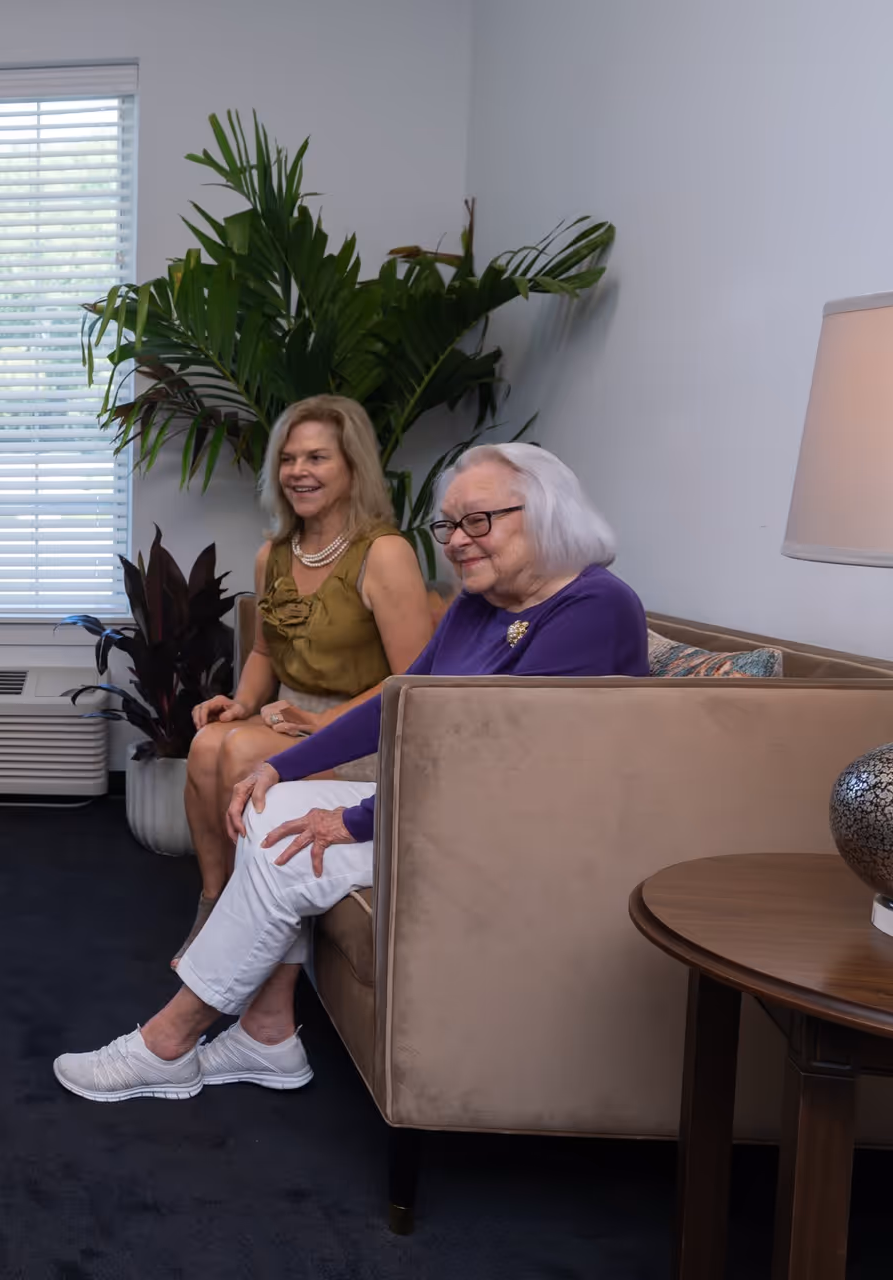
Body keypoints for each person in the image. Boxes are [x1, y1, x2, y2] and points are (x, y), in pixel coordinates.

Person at [54, 443, 648, 1102]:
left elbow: (504, 767)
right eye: (447, 526)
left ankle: (169, 1041)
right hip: (450, 806)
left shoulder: (594, 607)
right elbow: (402, 700)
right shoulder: (482, 600)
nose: (456, 541)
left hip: (526, 830)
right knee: (267, 810)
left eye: (478, 521)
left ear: (546, 513)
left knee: (290, 850)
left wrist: (356, 819)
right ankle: (267, 1036)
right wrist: (280, 767)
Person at [177, 395, 434, 967]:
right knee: (207, 743)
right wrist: (240, 701)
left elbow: (413, 684)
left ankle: (248, 935)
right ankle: (217, 903)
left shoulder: (385, 553)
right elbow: (266, 648)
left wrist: (323, 722)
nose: (298, 471)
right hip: (287, 716)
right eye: (289, 459)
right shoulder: (274, 553)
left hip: (363, 730)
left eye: (317, 457)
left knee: (239, 747)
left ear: (352, 467)